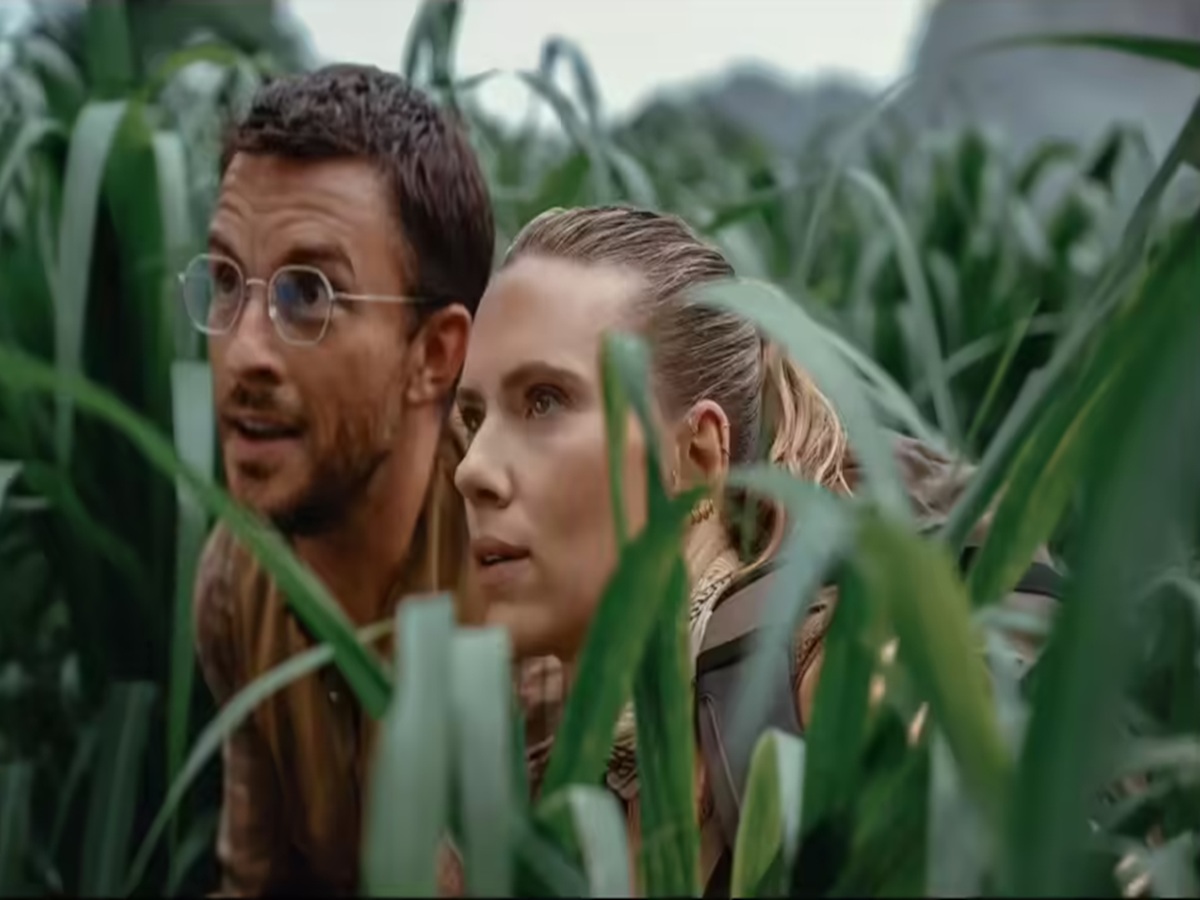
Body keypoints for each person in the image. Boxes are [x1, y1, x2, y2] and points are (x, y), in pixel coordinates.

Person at [453, 204, 1062, 895]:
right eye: (472, 418)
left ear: (698, 456)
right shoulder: (540, 767)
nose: (471, 467)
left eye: (544, 401)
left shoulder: (836, 690)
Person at [189, 64, 494, 895]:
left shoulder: (521, 582)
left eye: (308, 295)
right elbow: (254, 880)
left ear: (433, 355)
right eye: (223, 282)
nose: (243, 352)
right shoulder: (234, 582)